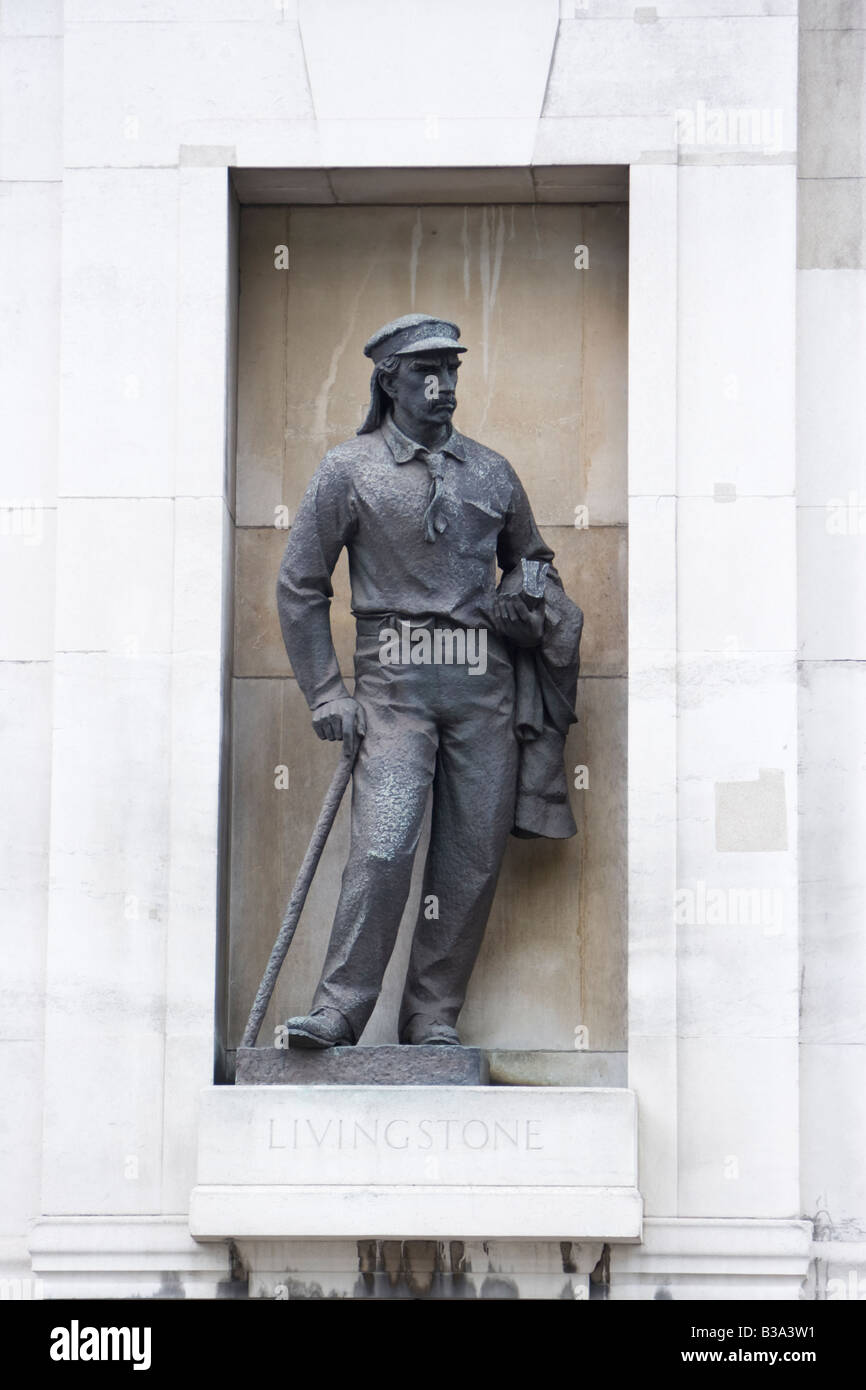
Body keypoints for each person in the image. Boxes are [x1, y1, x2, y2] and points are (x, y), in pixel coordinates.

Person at [276, 313, 575, 1049]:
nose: (442, 387)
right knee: (384, 847)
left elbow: (533, 558)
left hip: (484, 685)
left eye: (450, 372)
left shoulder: (493, 471)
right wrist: (326, 691)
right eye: (424, 373)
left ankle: (433, 1016)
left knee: (469, 861)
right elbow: (300, 585)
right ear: (390, 379)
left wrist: (530, 588)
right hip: (396, 683)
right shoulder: (350, 469)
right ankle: (341, 1010)